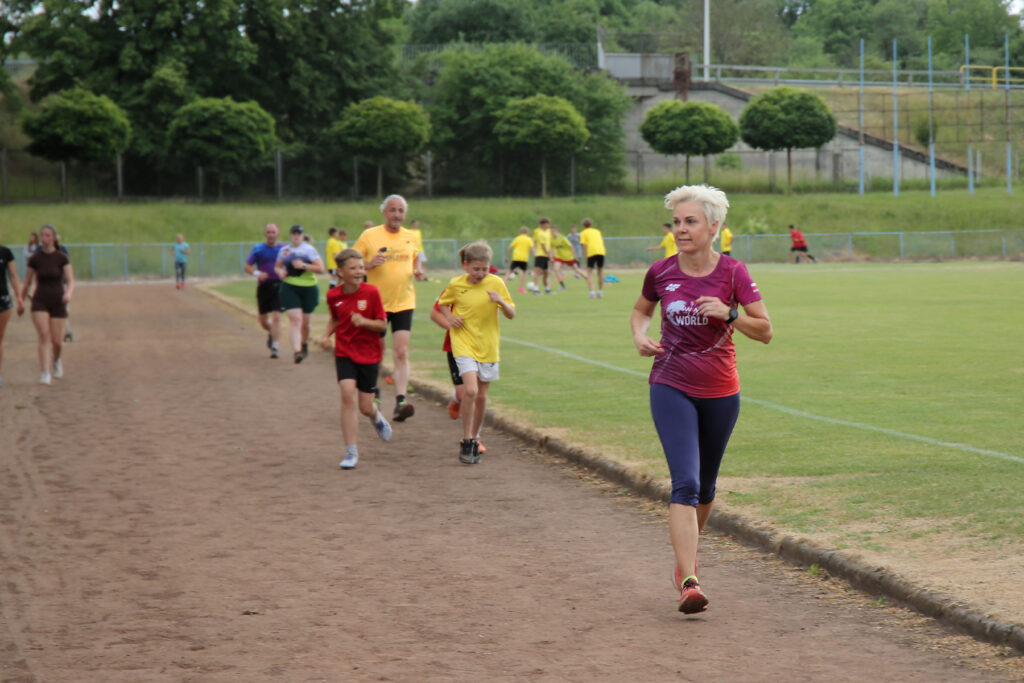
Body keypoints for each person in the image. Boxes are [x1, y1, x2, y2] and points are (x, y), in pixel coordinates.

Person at [630, 184, 772, 615]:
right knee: (686, 484)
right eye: (677, 222)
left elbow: (764, 330)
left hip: (721, 391)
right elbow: (641, 310)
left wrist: (729, 313)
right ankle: (690, 579)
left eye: (690, 221)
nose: (681, 229)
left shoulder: (733, 273)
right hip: (670, 384)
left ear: (714, 227)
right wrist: (639, 335)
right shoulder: (661, 271)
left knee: (706, 487)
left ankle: (684, 559)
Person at [437, 241, 515, 464]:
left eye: (485, 269)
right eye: (476, 269)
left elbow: (511, 313)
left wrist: (500, 301)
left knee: (481, 395)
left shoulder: (496, 283)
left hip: (488, 346)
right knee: (470, 390)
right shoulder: (455, 284)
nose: (481, 273)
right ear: (465, 266)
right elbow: (443, 304)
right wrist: (450, 318)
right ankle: (467, 440)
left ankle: (477, 434)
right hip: (463, 343)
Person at [320, 249, 393, 470]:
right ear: (340, 272)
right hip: (344, 352)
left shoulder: (372, 293)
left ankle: (375, 415)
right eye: (354, 268)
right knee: (346, 394)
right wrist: (325, 335)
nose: (359, 271)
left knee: (364, 407)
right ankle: (351, 451)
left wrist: (364, 322)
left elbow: (382, 325)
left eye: (361, 267)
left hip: (369, 354)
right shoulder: (333, 296)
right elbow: (335, 318)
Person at [353, 194, 423, 422]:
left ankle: (401, 400)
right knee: (378, 352)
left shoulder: (411, 237)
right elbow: (350, 262)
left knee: (401, 352)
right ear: (384, 212)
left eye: (401, 210)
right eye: (392, 210)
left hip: (404, 301)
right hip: (376, 304)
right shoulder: (369, 236)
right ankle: (374, 391)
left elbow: (416, 260)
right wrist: (368, 265)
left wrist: (419, 270)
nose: (397, 215)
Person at [21, 225, 75, 385]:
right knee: (44, 336)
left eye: (47, 235)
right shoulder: (35, 258)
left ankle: (56, 360)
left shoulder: (62, 257)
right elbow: (27, 282)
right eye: (42, 235)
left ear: (53, 238)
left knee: (57, 341)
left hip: (58, 300)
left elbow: (71, 280)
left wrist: (68, 293)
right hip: (40, 300)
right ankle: (45, 372)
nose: (43, 238)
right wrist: (20, 300)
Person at [274, 224, 325, 364]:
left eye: (299, 234)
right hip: (290, 287)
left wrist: (304, 266)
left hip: (309, 288)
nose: (296, 236)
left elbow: (321, 269)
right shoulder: (284, 250)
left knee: (306, 323)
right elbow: (277, 267)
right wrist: (280, 272)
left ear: (302, 236)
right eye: (294, 234)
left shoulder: (309, 250)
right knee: (296, 320)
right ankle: (297, 351)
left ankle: (304, 344)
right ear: (290, 235)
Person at [244, 223, 285, 358]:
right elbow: (247, 266)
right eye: (269, 232)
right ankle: (271, 332)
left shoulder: (284, 249)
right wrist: (257, 273)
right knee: (263, 321)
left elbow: (291, 263)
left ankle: (275, 347)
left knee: (277, 317)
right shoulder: (259, 249)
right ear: (265, 234)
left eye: (273, 232)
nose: (271, 235)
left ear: (278, 233)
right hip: (264, 285)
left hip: (279, 285)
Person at [0, 241, 25, 387]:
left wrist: (19, 297)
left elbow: (13, 276)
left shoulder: (5, 252)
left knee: (0, 337)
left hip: (2, 298)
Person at [579, 218, 607, 299]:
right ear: (591, 224)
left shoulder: (583, 233)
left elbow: (584, 245)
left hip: (591, 252)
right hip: (601, 252)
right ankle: (600, 292)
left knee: (589, 273)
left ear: (583, 226)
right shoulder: (597, 231)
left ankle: (592, 292)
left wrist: (586, 254)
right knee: (600, 272)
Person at [504, 226, 534, 294]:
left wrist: (506, 257)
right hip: (524, 259)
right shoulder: (528, 239)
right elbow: (532, 249)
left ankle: (504, 283)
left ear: (520, 232)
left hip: (516, 258)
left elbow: (509, 247)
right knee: (524, 273)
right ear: (527, 232)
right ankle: (521, 288)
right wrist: (535, 256)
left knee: (509, 271)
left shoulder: (517, 238)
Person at [528, 217, 553, 294]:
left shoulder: (548, 232)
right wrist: (549, 255)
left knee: (546, 273)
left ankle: (547, 289)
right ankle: (535, 289)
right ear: (543, 225)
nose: (548, 225)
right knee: (537, 273)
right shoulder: (540, 233)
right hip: (540, 255)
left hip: (546, 256)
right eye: (547, 224)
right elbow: (543, 246)